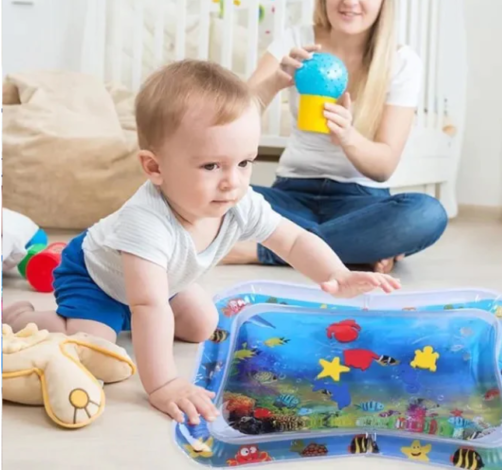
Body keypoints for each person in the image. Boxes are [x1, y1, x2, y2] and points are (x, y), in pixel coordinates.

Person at [3, 60, 400, 426]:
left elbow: (293, 239)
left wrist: (336, 273)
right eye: (212, 166)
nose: (232, 181)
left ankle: (127, 316)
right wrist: (163, 386)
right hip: (97, 277)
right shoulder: (147, 223)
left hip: (162, 281)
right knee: (95, 345)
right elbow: (148, 304)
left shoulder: (237, 199)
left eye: (244, 162)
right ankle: (21, 316)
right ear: (154, 167)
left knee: (202, 325)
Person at [222, 0, 448, 273]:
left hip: (360, 202)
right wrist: (274, 81)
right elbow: (231, 119)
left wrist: (348, 137)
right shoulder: (296, 39)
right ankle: (352, 248)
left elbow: (383, 167)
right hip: (290, 196)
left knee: (427, 213)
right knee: (206, 193)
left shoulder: (402, 62)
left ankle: (266, 250)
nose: (350, 0)